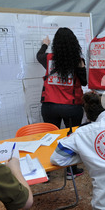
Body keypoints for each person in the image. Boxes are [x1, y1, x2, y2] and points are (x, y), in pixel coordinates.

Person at [37, 27, 87, 179]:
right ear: (74, 44)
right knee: (71, 138)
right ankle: (71, 171)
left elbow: (38, 55)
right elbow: (84, 82)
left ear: (56, 44)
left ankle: (46, 172)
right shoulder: (78, 61)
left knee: (50, 139)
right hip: (71, 107)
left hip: (49, 106)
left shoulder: (48, 58)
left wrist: (45, 44)